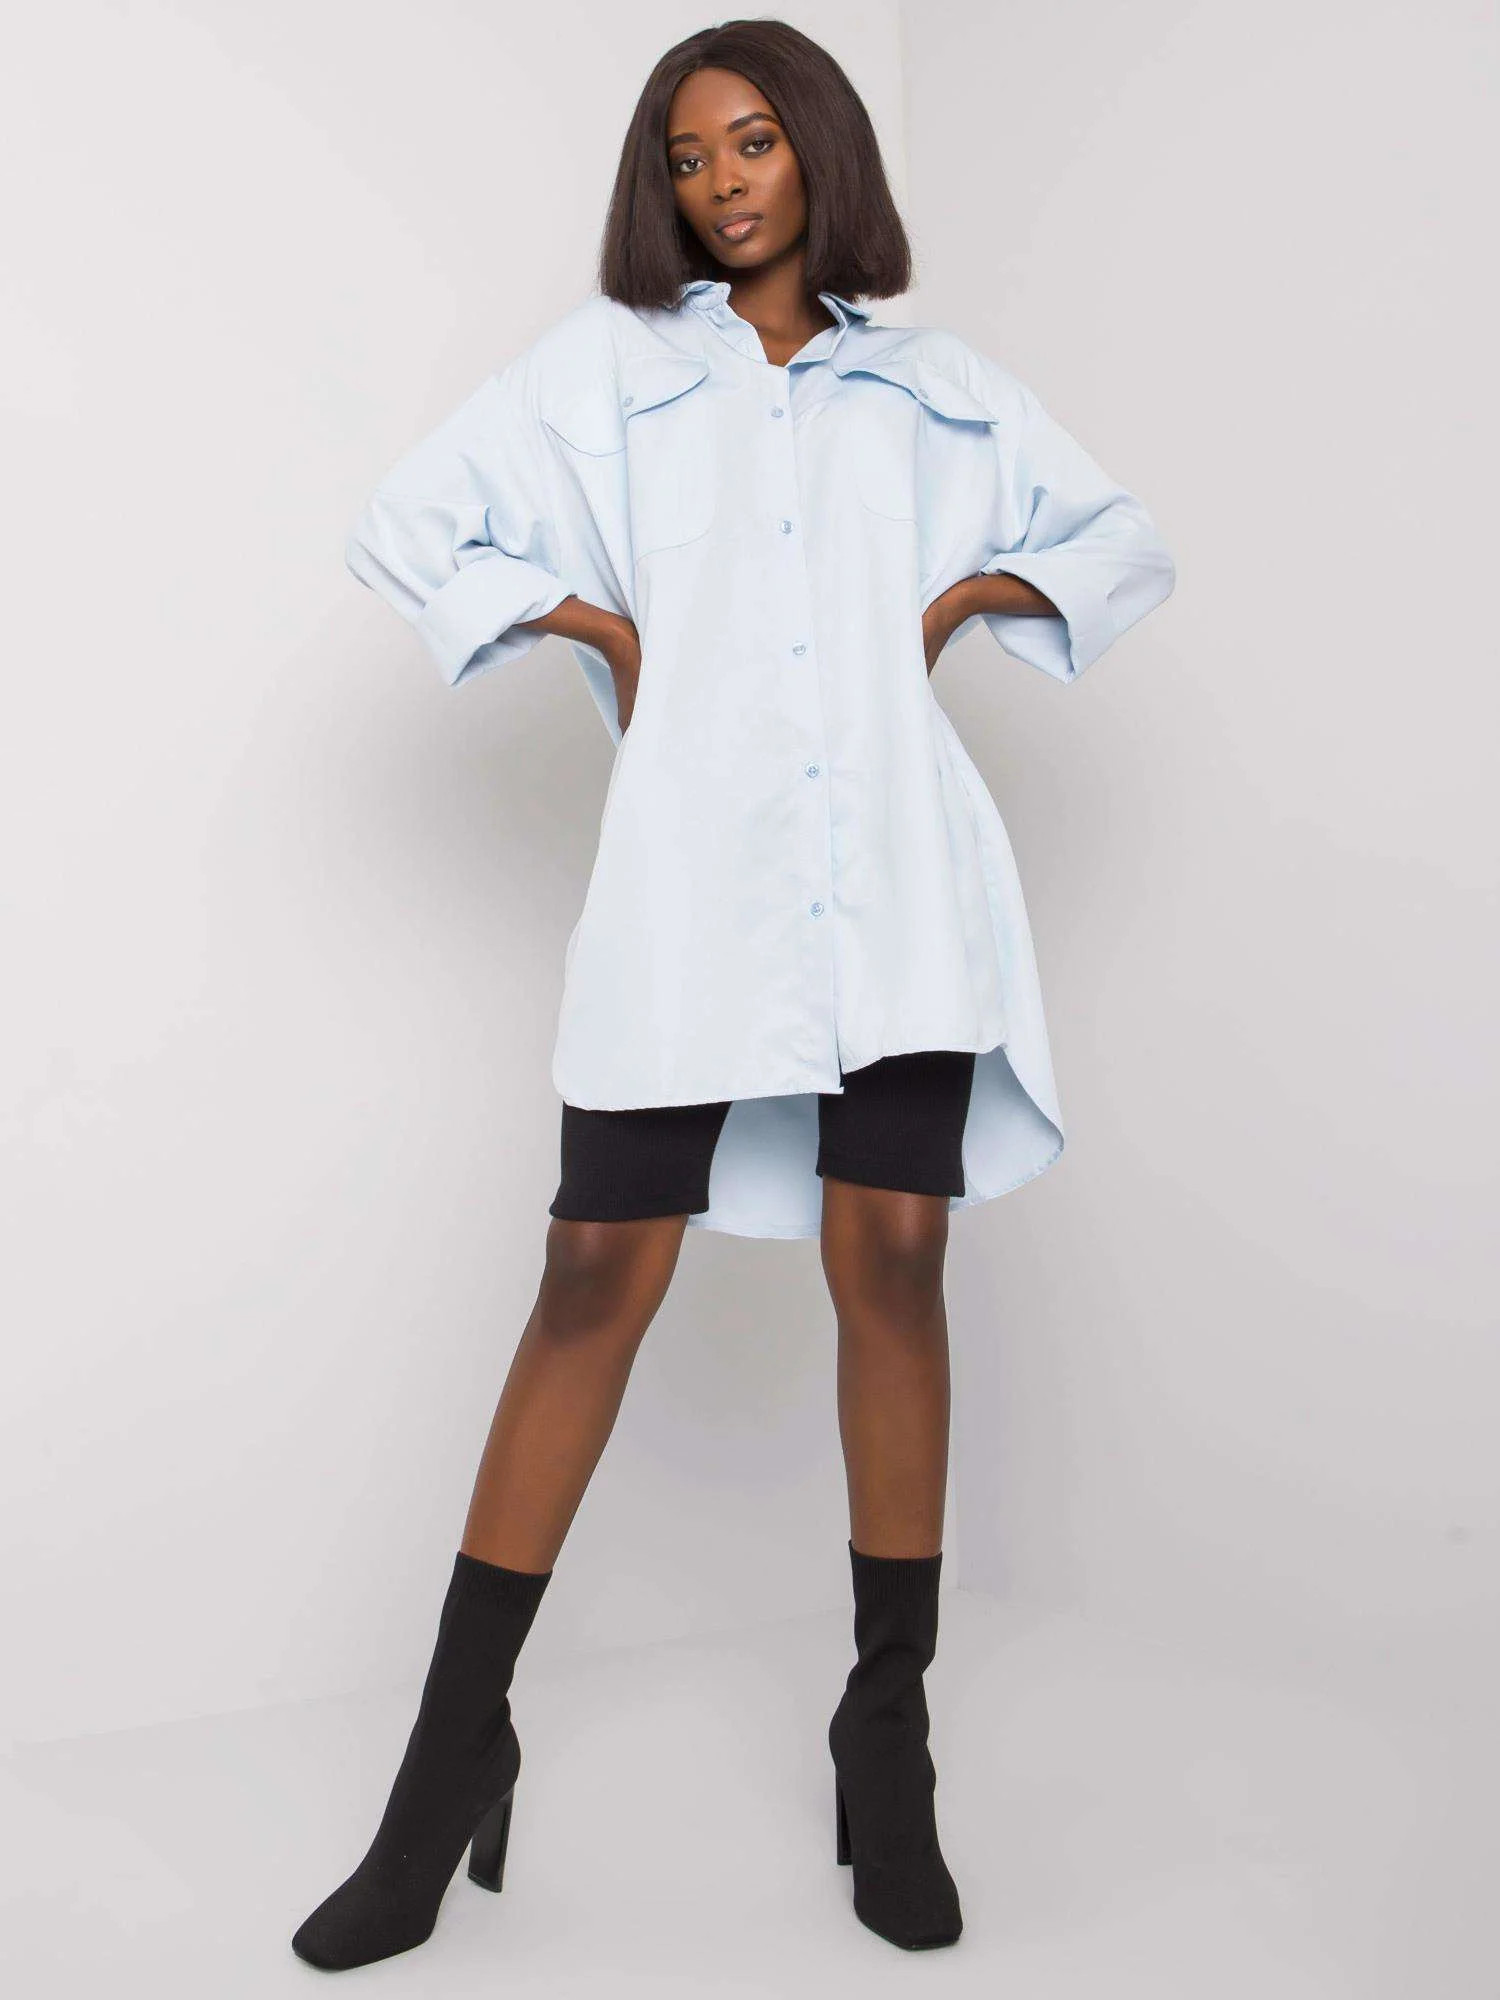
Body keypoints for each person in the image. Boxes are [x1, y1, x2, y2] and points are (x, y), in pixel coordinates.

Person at [291, 17, 1175, 1970]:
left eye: (752, 142)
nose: (721, 184)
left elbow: (1121, 539)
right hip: (689, 894)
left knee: (897, 1260)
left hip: (902, 899)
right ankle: (448, 1756)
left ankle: (887, 1734)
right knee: (592, 1273)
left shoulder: (937, 391)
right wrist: (592, 625)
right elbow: (406, 527)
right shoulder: (606, 374)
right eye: (688, 159)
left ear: (818, 149)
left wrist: (972, 595)